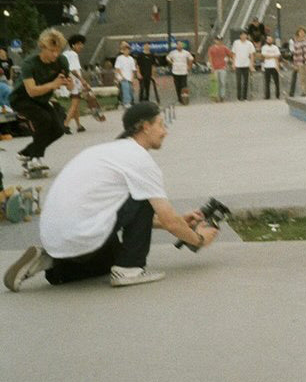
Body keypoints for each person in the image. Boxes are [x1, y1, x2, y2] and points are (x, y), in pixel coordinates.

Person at [3, 102, 220, 292]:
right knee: (144, 197)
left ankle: (49, 260)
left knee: (110, 258)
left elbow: (123, 212)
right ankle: (130, 270)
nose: (165, 131)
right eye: (161, 125)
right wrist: (200, 239)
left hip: (57, 236)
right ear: (145, 127)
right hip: (81, 231)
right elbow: (166, 218)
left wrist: (180, 221)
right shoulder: (139, 159)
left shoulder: (106, 151)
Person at [9, 28, 74, 171]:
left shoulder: (61, 61)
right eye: (52, 50)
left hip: (41, 100)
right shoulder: (30, 64)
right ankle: (35, 159)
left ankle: (27, 152)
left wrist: (69, 83)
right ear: (42, 47)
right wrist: (53, 84)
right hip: (21, 99)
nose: (55, 54)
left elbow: (70, 86)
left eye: (58, 50)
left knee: (59, 129)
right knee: (44, 120)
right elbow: (31, 91)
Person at [62, 33, 92, 134]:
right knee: (75, 104)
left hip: (67, 81)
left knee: (75, 104)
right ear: (73, 45)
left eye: (82, 44)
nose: (81, 46)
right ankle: (65, 125)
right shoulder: (73, 55)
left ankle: (79, 125)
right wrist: (83, 81)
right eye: (79, 44)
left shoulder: (65, 54)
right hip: (74, 81)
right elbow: (74, 70)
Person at [207, 35, 233, 103]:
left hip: (223, 68)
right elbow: (210, 58)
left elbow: (231, 55)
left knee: (222, 82)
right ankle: (215, 96)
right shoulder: (211, 48)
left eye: (220, 40)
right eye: (217, 39)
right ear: (214, 40)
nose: (218, 41)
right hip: (215, 68)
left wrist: (228, 60)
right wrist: (211, 67)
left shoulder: (224, 48)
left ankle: (222, 96)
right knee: (215, 83)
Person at [166, 40, 193, 105]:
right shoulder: (173, 52)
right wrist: (172, 63)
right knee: (177, 86)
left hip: (183, 71)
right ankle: (179, 99)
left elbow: (191, 59)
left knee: (184, 86)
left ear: (182, 46)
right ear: (176, 46)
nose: (179, 46)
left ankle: (185, 99)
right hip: (175, 71)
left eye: (181, 45)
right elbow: (167, 58)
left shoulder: (186, 53)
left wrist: (189, 66)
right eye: (178, 45)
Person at [231, 30, 255, 100]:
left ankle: (244, 97)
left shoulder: (249, 44)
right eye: (242, 35)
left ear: (247, 36)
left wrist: (251, 65)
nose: (244, 36)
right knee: (239, 82)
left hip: (246, 65)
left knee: (246, 82)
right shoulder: (236, 43)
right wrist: (233, 63)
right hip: (238, 64)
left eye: (245, 35)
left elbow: (252, 55)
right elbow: (234, 54)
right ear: (240, 36)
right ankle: (239, 97)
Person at [114, 41, 138, 107]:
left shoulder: (131, 59)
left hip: (129, 77)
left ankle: (129, 101)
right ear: (123, 51)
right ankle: (126, 102)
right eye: (125, 50)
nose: (127, 51)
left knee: (130, 90)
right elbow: (117, 68)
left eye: (128, 50)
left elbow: (133, 69)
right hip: (122, 77)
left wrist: (132, 78)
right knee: (125, 89)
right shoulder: (119, 58)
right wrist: (121, 76)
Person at [260, 33, 282, 99]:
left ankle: (277, 95)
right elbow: (264, 56)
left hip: (274, 66)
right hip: (267, 66)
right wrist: (273, 56)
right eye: (268, 39)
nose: (269, 40)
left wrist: (277, 65)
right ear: (266, 40)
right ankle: (267, 96)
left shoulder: (275, 47)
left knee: (277, 82)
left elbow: (277, 56)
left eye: (270, 39)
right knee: (267, 82)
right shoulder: (264, 47)